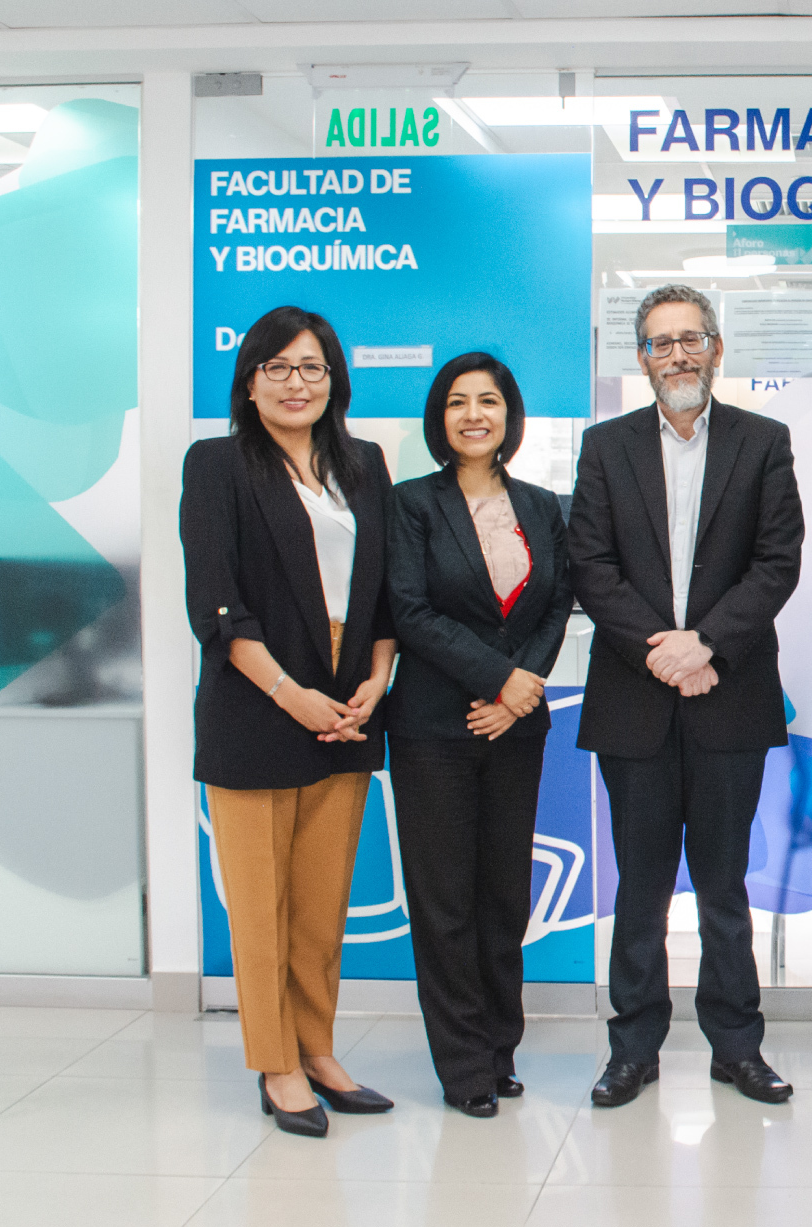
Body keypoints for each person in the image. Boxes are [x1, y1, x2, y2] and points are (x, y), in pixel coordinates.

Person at [569, 284, 804, 1108]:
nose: (678, 354)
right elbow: (590, 566)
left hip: (729, 694)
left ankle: (736, 1045)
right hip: (635, 702)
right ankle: (633, 1048)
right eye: (661, 342)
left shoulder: (763, 441)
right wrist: (663, 652)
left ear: (716, 349)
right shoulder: (604, 447)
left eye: (691, 338)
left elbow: (778, 562)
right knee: (638, 887)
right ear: (641, 359)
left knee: (723, 884)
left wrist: (705, 644)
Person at [180, 306, 397, 1138]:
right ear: (250, 381)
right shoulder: (218, 465)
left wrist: (378, 679)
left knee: (319, 905)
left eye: (311, 367)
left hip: (348, 707)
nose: (296, 383)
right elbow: (217, 605)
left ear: (335, 377)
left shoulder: (365, 465)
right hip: (257, 706)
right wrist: (290, 694)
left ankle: (319, 1048)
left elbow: (383, 590)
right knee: (262, 905)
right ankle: (276, 1063)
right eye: (277, 368)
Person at [384, 353, 573, 1119]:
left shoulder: (541, 504)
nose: (473, 414)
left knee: (503, 894)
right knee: (445, 900)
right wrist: (500, 678)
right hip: (435, 725)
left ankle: (500, 1048)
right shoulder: (410, 504)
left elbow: (558, 601)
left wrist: (519, 693)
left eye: (488, 401)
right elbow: (409, 610)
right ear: (440, 418)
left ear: (508, 415)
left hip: (515, 728)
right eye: (458, 402)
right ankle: (462, 1062)